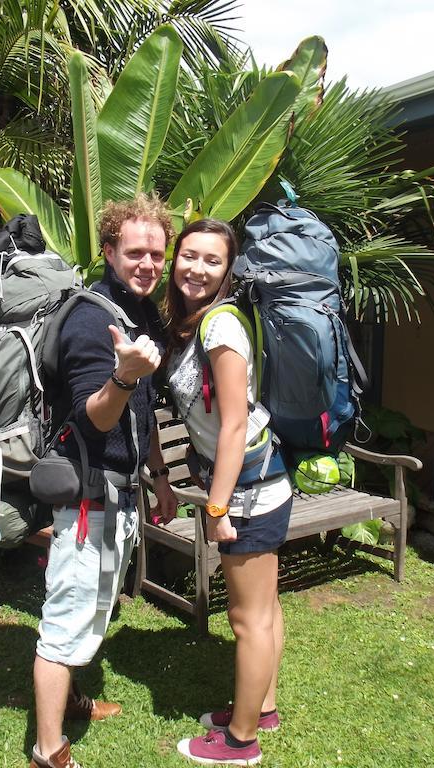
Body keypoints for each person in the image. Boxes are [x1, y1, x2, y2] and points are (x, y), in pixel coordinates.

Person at [30, 194, 179, 768]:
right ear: (110, 250)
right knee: (64, 619)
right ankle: (49, 750)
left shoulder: (138, 313)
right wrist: (123, 374)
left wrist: (161, 476)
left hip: (123, 489)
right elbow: (96, 416)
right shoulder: (94, 319)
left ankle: (71, 702)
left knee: (91, 609)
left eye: (156, 254)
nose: (147, 264)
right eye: (136, 252)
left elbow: (144, 411)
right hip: (86, 497)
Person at [164, 219, 292, 766]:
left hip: (249, 488)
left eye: (211, 261)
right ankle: (260, 707)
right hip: (256, 482)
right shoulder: (196, 323)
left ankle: (241, 741)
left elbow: (235, 425)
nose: (196, 268)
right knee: (262, 609)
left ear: (227, 270)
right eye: (189, 256)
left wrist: (218, 507)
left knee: (248, 619)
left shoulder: (220, 328)